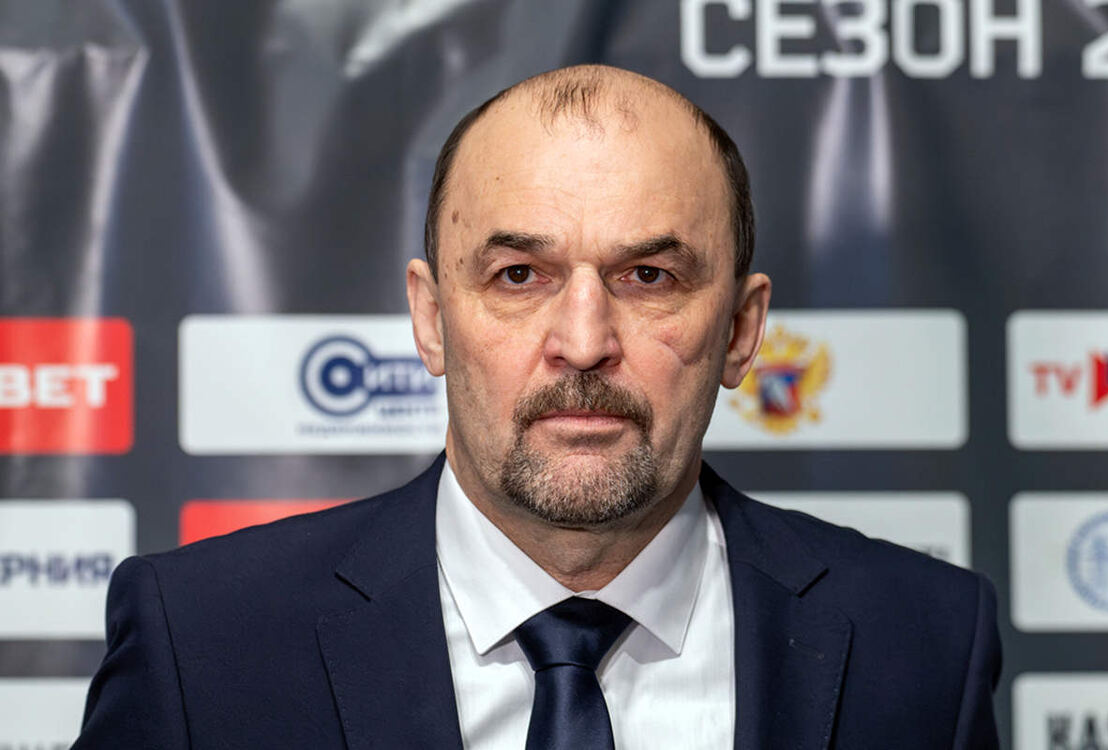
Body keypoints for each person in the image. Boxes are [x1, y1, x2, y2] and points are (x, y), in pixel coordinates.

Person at [74, 64, 1000, 749]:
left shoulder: (922, 643)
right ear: (431, 320)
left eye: (649, 276)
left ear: (740, 329)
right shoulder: (203, 641)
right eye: (520, 275)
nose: (584, 340)